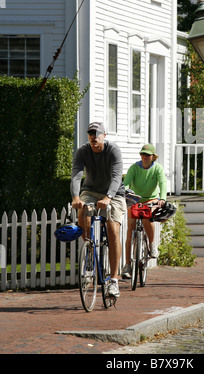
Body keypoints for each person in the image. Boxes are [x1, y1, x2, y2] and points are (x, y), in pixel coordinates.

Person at [70, 121, 126, 298]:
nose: (94, 137)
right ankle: (90, 253)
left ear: (104, 135)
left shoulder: (113, 151)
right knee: (83, 213)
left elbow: (117, 177)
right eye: (91, 134)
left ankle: (114, 280)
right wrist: (75, 197)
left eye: (97, 134)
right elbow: (76, 175)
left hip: (114, 194)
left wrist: (108, 197)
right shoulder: (82, 151)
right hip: (91, 191)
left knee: (112, 229)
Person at [122, 143, 167, 279]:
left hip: (150, 200)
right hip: (135, 200)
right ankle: (127, 265)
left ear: (153, 157)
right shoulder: (134, 168)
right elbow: (126, 183)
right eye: (142, 154)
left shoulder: (157, 169)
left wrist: (162, 199)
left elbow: (162, 183)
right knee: (130, 229)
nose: (144, 157)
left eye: (147, 155)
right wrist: (125, 192)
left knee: (147, 217)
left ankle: (152, 245)